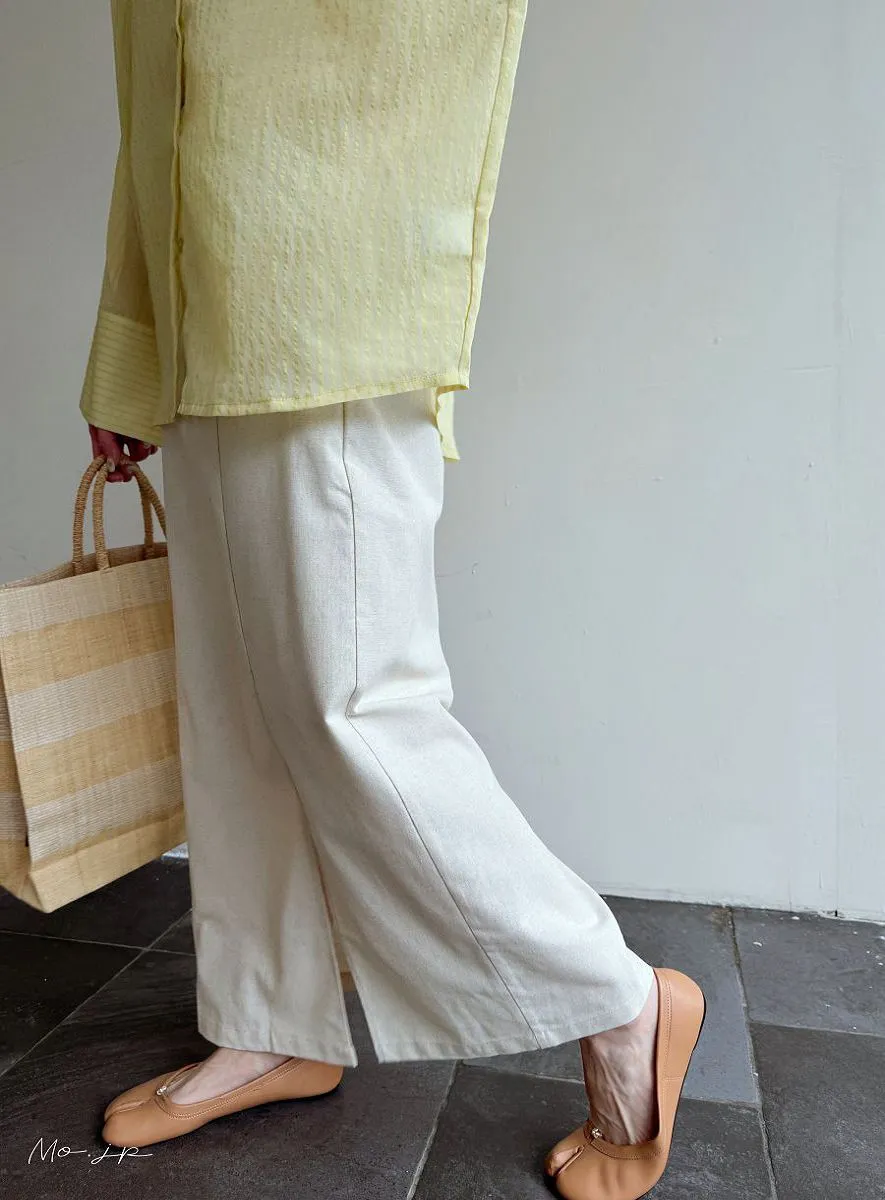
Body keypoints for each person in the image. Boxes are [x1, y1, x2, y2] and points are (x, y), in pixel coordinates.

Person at [83, 4, 706, 1197]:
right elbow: (158, 82)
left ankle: (619, 998)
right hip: (199, 290)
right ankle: (271, 1023)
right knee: (238, 707)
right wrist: (134, 342)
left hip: (331, 288)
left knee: (353, 704)